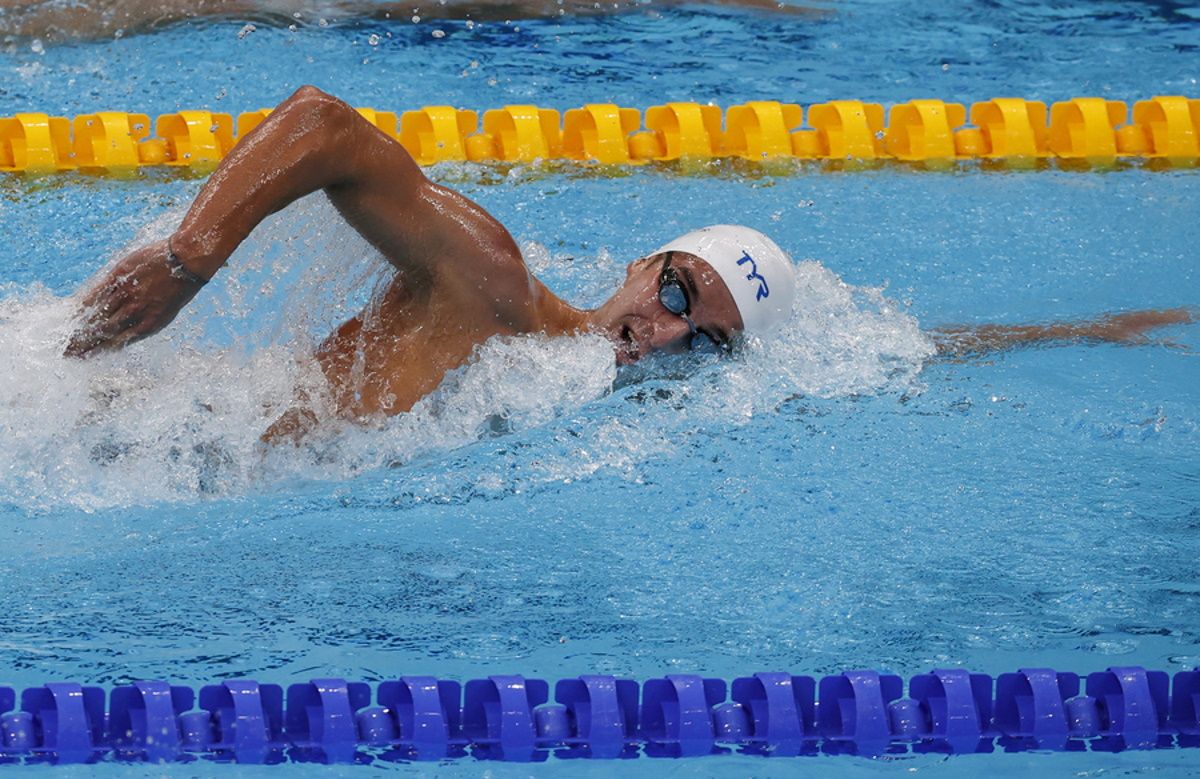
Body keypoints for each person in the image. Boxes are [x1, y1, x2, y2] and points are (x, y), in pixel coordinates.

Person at [65, 86, 1193, 443]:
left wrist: (1081, 332)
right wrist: (192, 255)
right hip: (128, 434)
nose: (665, 334)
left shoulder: (566, 393)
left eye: (701, 340)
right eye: (674, 293)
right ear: (641, 263)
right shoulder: (498, 291)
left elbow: (878, 355)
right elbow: (324, 125)